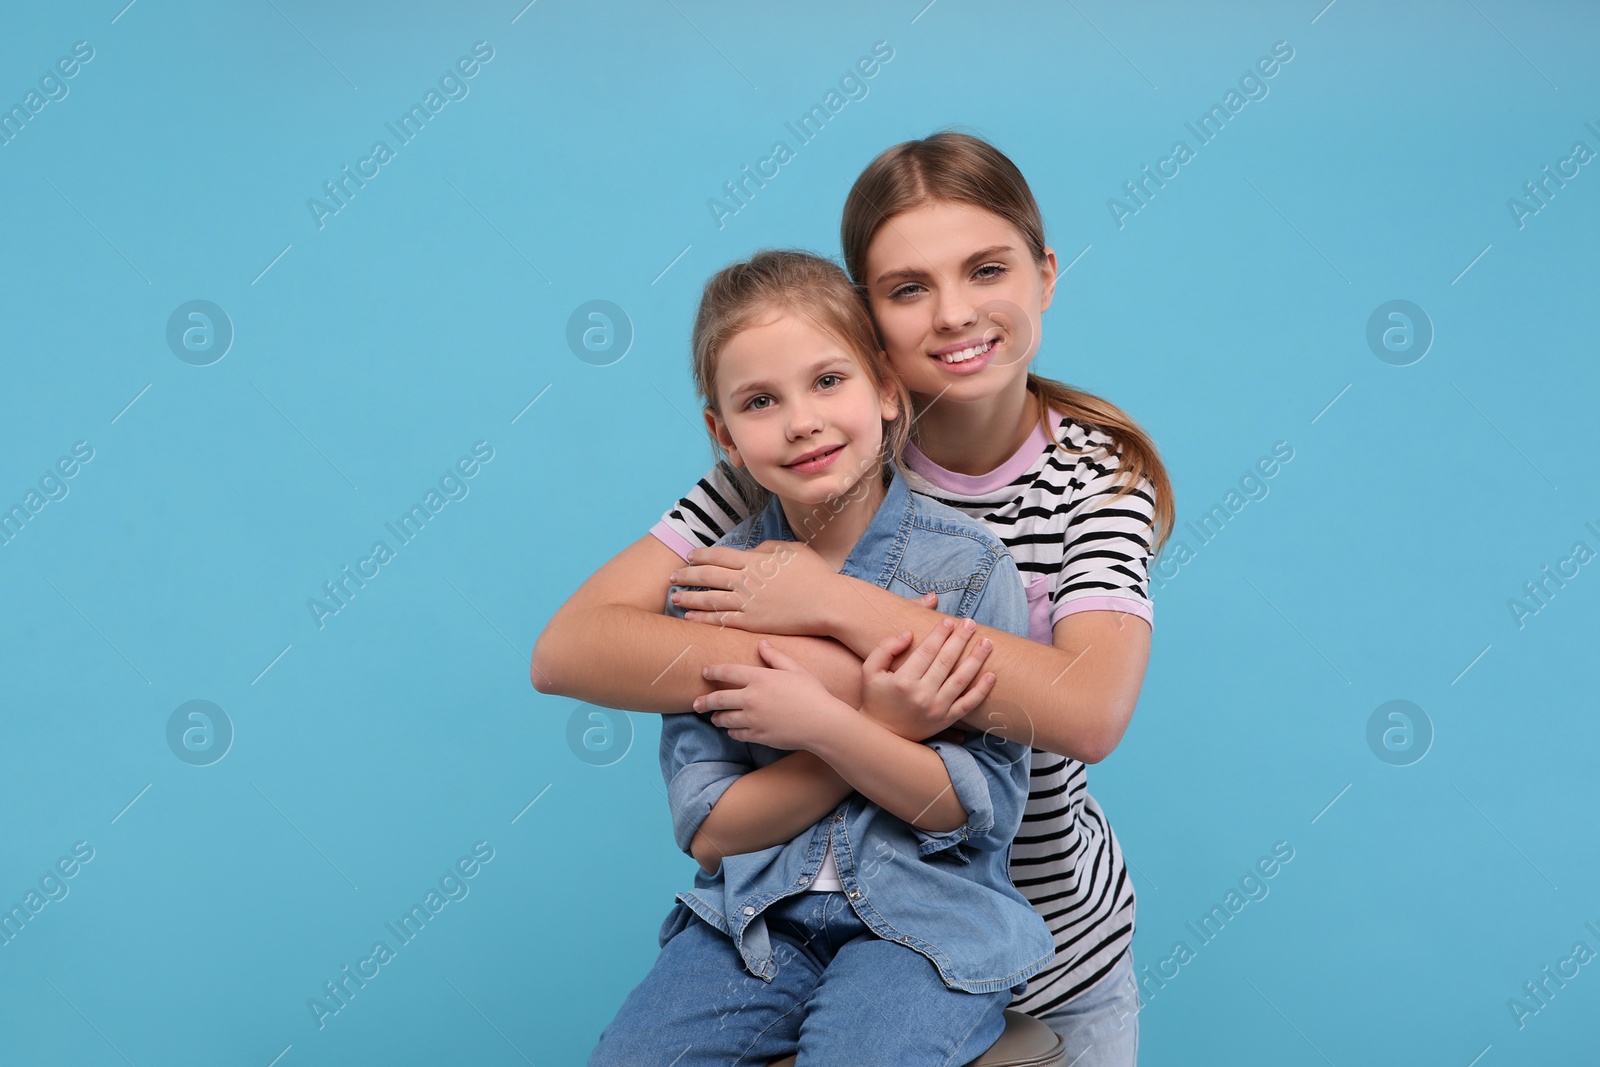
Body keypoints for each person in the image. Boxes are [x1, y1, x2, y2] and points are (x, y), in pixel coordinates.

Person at [537, 131, 1173, 1065]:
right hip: (811, 936)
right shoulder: (798, 455)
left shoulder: (1094, 478)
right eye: (909, 288)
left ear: (1043, 273)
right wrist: (869, 700)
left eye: (987, 269)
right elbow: (573, 648)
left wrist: (823, 601)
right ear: (867, 319)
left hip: (1053, 953)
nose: (955, 314)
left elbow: (1086, 708)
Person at [587, 249, 1054, 1066]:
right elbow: (711, 833)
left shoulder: (971, 569)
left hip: (932, 928)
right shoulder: (708, 588)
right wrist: (869, 722)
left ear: (884, 387)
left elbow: (974, 809)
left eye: (827, 382)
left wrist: (828, 728)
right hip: (757, 919)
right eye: (761, 401)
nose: (801, 420)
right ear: (722, 434)